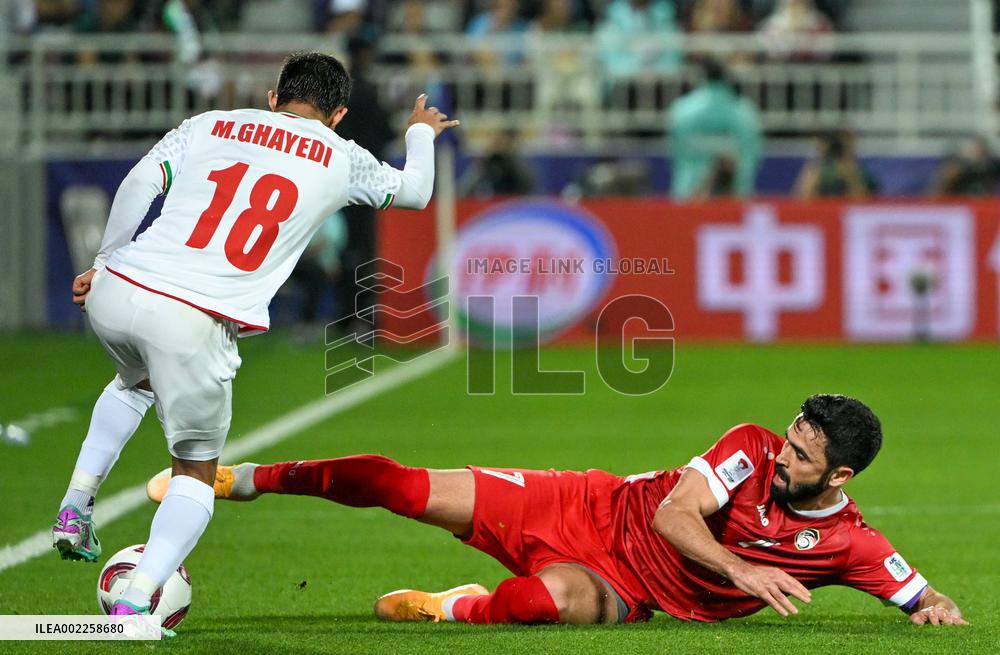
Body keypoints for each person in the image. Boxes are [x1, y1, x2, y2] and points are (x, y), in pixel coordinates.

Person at [53, 51, 459, 634]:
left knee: (133, 382)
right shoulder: (341, 154)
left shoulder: (210, 123)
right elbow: (416, 192)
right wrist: (420, 133)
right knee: (195, 473)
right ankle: (136, 601)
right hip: (193, 317)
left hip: (118, 290)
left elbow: (140, 182)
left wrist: (105, 261)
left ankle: (76, 502)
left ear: (274, 97)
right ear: (338, 114)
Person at [147, 394, 967, 627]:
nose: (783, 457)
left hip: (626, 591)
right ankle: (241, 477)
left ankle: (448, 605)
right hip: (586, 504)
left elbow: (922, 594)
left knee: (535, 603)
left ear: (839, 473)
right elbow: (675, 515)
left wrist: (933, 605)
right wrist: (740, 569)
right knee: (402, 486)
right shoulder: (750, 447)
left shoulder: (847, 542)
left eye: (802, 457)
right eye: (789, 439)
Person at [669, 60, 761, 200]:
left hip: (688, 192)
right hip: (735, 194)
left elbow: (676, 150)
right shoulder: (744, 111)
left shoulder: (683, 109)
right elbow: (751, 154)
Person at [795, 129, 877, 199]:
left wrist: (850, 176)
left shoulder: (864, 174)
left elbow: (864, 202)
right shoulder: (817, 171)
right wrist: (816, 162)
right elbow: (802, 199)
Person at [927, 136, 1000, 197]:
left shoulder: (991, 168)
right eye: (972, 151)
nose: (977, 154)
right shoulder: (956, 169)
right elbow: (934, 193)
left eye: (980, 152)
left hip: (985, 204)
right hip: (960, 202)